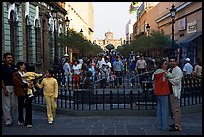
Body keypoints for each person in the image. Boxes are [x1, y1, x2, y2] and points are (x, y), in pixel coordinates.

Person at [152, 59, 172, 131]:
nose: (166, 65)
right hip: (164, 92)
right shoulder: (165, 73)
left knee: (159, 109)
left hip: (158, 92)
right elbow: (172, 76)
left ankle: (159, 125)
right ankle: (165, 126)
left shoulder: (156, 72)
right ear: (162, 65)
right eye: (165, 64)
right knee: (165, 110)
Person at [12, 62, 33, 128]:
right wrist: (26, 85)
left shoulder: (26, 73)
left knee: (28, 107)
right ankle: (20, 119)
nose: (24, 66)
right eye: (23, 65)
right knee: (20, 106)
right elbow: (17, 82)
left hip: (28, 91)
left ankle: (28, 122)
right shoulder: (15, 74)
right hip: (20, 91)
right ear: (20, 66)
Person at [2, 52, 18, 127]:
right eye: (8, 58)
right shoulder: (2, 67)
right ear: (4, 59)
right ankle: (8, 121)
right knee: (7, 105)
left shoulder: (14, 67)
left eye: (11, 58)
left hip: (14, 87)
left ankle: (11, 117)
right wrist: (4, 89)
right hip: (6, 87)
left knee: (14, 105)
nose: (10, 59)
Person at [168, 56, 183, 132]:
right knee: (172, 110)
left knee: (176, 110)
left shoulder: (178, 70)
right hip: (170, 92)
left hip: (175, 93)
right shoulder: (170, 69)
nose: (172, 62)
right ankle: (175, 123)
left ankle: (177, 126)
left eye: (173, 61)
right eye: (171, 61)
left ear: (176, 62)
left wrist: (169, 79)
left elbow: (176, 81)